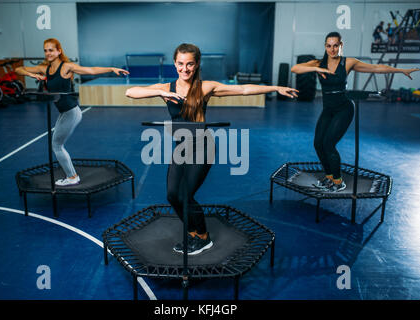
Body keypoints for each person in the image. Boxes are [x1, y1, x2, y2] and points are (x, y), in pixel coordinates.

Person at [126, 43, 298, 255]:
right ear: (174, 63)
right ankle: (193, 232)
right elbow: (130, 92)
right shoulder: (166, 88)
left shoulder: (205, 87)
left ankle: (203, 237)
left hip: (202, 145)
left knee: (186, 195)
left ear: (197, 64)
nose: (185, 69)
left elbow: (243, 89)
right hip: (181, 146)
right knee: (172, 195)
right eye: (180, 64)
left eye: (190, 64)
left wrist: (275, 88)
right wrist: (161, 94)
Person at [291, 31, 419, 192]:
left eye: (335, 46)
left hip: (344, 109)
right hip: (328, 109)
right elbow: (295, 68)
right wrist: (316, 69)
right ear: (325, 46)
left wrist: (400, 71)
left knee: (329, 144)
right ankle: (329, 177)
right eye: (329, 46)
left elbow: (376, 68)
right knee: (318, 144)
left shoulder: (348, 62)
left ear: (340, 45)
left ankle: (338, 182)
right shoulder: (318, 63)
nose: (332, 49)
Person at [16, 38, 129, 186]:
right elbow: (18, 69)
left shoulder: (66, 67)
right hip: (64, 112)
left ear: (59, 51)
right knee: (56, 144)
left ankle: (72, 176)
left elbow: (90, 70)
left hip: (71, 112)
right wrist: (30, 75)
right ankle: (71, 175)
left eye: (51, 50)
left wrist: (111, 69)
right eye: (45, 50)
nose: (48, 53)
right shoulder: (45, 68)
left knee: (56, 145)